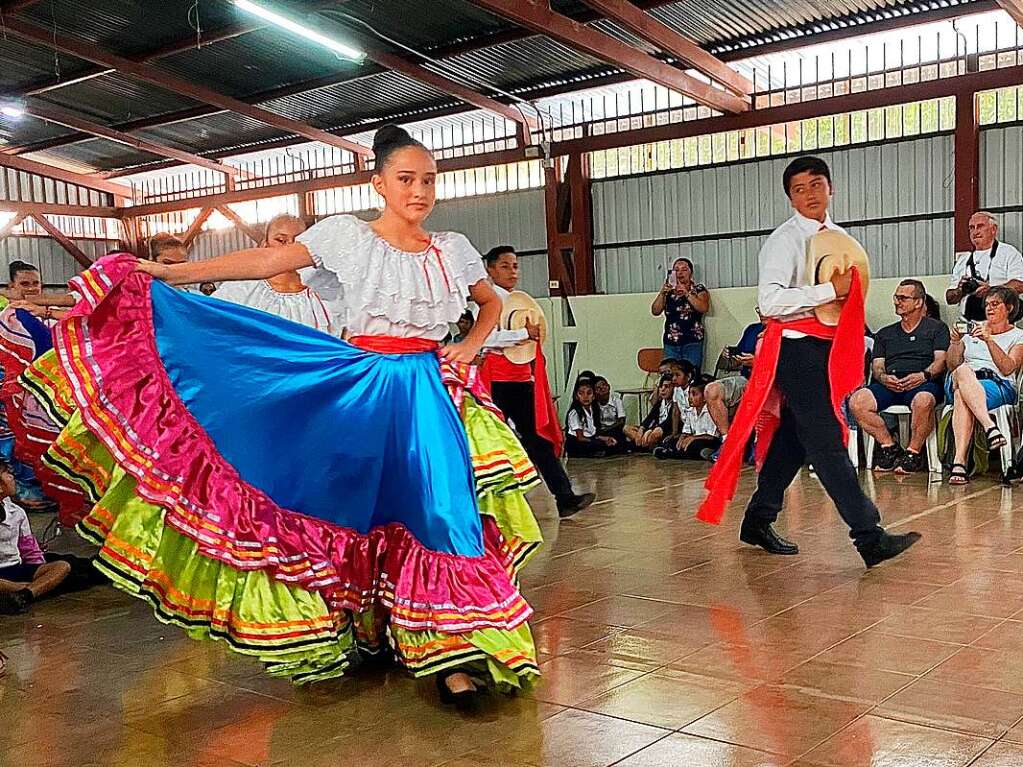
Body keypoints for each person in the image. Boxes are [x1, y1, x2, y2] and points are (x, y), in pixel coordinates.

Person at [29, 125, 542, 707]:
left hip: (427, 391)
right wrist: (177, 275)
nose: (419, 191)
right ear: (379, 184)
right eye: (406, 179)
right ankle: (376, 630)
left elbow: (490, 300)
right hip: (361, 386)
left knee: (443, 512)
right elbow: (268, 259)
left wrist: (472, 344)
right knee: (352, 510)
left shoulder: (452, 246)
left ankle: (458, 656)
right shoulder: (348, 236)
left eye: (428, 180)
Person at [699, 155, 921, 569]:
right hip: (794, 349)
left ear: (830, 187)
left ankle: (758, 519)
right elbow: (768, 302)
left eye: (815, 184)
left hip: (827, 348)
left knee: (794, 437)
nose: (809, 195)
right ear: (789, 197)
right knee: (823, 438)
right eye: (798, 189)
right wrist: (824, 291)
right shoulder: (783, 241)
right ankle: (868, 536)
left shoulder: (840, 239)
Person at [477, 245, 594, 517]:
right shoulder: (484, 300)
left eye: (515, 265)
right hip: (494, 380)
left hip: (518, 378)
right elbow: (483, 337)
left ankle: (564, 497)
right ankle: (482, 502)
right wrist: (520, 334)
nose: (512, 271)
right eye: (505, 266)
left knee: (536, 439)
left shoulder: (518, 301)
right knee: (489, 440)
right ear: (491, 270)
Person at [848, 279, 949, 474]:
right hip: (890, 383)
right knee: (857, 402)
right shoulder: (885, 334)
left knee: (923, 400)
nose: (897, 302)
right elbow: (877, 366)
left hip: (923, 382)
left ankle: (913, 452)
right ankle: (889, 446)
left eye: (903, 298)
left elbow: (940, 361)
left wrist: (923, 375)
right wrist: (884, 377)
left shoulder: (936, 328)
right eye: (896, 297)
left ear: (918, 302)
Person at [945, 286, 1023, 484]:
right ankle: (990, 427)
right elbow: (952, 364)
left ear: (1010, 308)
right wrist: (955, 342)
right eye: (987, 304)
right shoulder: (972, 328)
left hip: (998, 384)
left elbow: (1008, 369)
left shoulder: (1018, 336)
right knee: (962, 370)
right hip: (962, 378)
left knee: (961, 394)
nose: (989, 308)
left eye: (995, 304)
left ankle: (959, 463)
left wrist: (989, 341)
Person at [213, 214, 340, 335]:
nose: (289, 247)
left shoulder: (325, 291)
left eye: (298, 241)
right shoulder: (240, 290)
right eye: (281, 240)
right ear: (265, 244)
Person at [0, 462, 72, 614]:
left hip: (16, 568)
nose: (12, 477)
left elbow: (29, 549)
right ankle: (32, 589)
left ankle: (25, 593)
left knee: (62, 566)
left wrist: (39, 567)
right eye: (6, 474)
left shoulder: (17, 512)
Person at [945, 211, 1023, 321]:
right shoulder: (964, 259)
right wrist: (960, 289)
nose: (975, 232)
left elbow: (1020, 284)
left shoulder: (1008, 252)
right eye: (971, 228)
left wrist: (992, 290)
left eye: (980, 226)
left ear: (993, 229)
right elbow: (949, 298)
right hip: (969, 324)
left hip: (1000, 325)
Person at [705, 309, 765, 443]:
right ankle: (727, 441)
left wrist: (756, 361)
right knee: (711, 390)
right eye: (758, 309)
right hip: (747, 378)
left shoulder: (784, 332)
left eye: (763, 308)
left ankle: (758, 444)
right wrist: (728, 357)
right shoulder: (752, 329)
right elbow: (734, 363)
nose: (760, 312)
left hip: (770, 382)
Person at [651, 258, 710, 370]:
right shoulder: (668, 292)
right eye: (676, 270)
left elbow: (703, 307)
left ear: (691, 273)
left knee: (691, 372)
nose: (680, 273)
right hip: (671, 341)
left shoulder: (698, 289)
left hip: (692, 340)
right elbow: (655, 311)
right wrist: (662, 293)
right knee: (670, 374)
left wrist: (687, 293)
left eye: (684, 269)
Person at [654, 376, 721, 460]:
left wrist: (692, 438)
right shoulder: (690, 411)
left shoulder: (711, 411)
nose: (690, 398)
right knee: (672, 441)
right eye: (689, 393)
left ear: (704, 397)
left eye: (694, 394)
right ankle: (677, 452)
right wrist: (681, 439)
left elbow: (712, 436)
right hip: (694, 438)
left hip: (708, 440)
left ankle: (670, 453)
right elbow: (686, 431)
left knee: (694, 445)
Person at [565, 378, 615, 457]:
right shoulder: (575, 412)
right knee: (600, 446)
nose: (585, 396)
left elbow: (592, 433)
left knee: (614, 443)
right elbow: (580, 438)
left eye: (589, 393)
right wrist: (597, 441)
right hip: (577, 443)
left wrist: (605, 438)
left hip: (589, 439)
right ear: (576, 396)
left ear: (594, 396)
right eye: (581, 393)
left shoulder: (594, 409)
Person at [624, 374, 674, 450]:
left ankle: (638, 446)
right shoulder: (660, 402)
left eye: (666, 387)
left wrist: (651, 430)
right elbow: (649, 418)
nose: (662, 389)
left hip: (664, 430)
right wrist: (641, 429)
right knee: (626, 428)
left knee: (654, 434)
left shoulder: (675, 404)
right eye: (661, 387)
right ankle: (644, 445)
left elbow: (668, 422)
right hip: (654, 428)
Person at [594, 376, 626, 444]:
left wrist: (605, 431)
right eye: (598, 388)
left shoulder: (617, 401)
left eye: (604, 385)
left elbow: (621, 421)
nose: (602, 389)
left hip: (614, 430)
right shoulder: (593, 404)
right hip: (599, 433)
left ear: (609, 386)